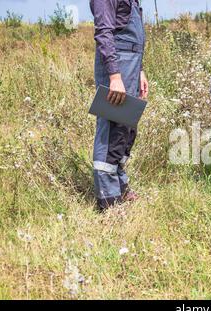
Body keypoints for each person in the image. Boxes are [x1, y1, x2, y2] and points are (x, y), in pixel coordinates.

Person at [90, 0, 148, 210]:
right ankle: (108, 200)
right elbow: (104, 34)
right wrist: (114, 76)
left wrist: (140, 70)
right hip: (117, 68)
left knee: (126, 129)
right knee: (111, 128)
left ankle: (120, 187)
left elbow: (133, 39)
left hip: (131, 66)